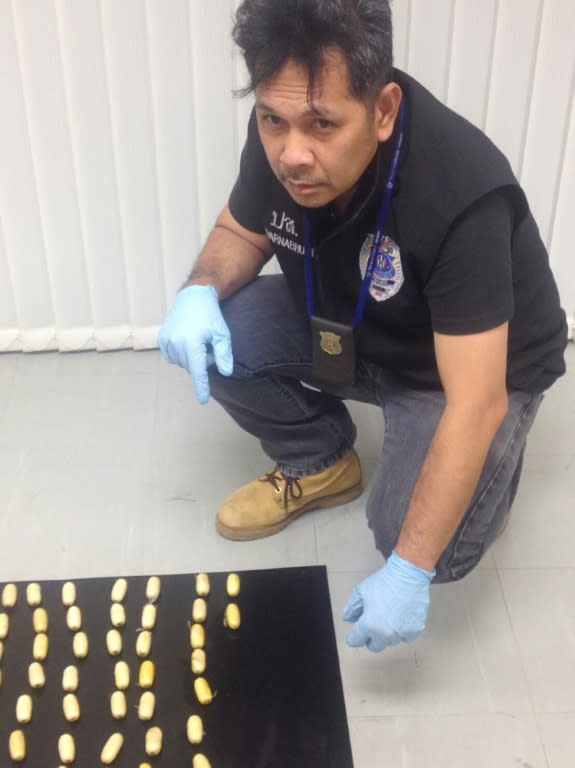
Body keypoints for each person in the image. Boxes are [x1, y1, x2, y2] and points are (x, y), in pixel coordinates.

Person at [158, 0, 567, 653]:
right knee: (222, 333)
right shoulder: (284, 125)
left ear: (381, 111)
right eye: (272, 120)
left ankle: (492, 476)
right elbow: (242, 226)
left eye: (321, 124)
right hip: (354, 319)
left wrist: (408, 568)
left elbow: (475, 398)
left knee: (425, 547)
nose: (291, 153)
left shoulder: (460, 192)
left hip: (462, 368)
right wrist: (198, 292)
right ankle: (320, 461)